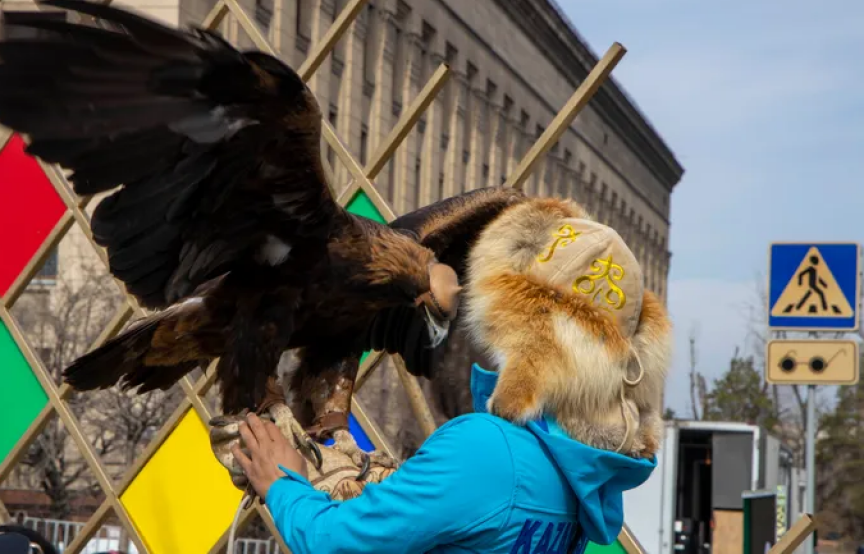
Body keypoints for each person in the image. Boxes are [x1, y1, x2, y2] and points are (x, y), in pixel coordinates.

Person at [230, 198, 673, 553]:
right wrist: (400, 490)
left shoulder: (485, 450)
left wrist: (283, 485)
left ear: (528, 326)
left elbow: (334, 542)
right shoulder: (585, 481)